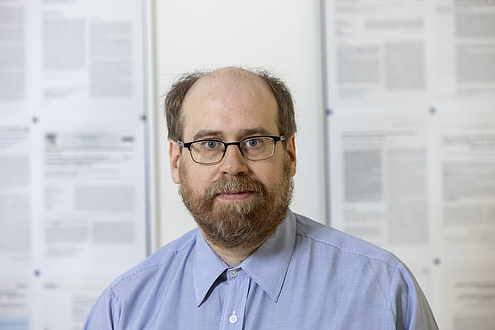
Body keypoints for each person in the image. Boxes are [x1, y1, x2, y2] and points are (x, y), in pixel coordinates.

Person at [84, 66, 438, 329]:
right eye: (209, 144)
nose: (233, 166)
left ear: (291, 155)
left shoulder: (385, 291)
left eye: (254, 141)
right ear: (177, 162)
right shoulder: (123, 308)